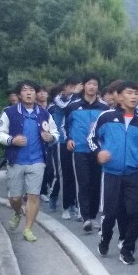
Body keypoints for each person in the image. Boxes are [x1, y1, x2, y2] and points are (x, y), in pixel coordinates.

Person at [88, 80, 138, 264]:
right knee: (110, 214)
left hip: (134, 173)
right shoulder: (106, 117)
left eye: (136, 93)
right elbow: (92, 139)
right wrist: (99, 153)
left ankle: (127, 248)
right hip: (111, 172)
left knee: (136, 212)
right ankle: (105, 239)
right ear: (119, 96)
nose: (134, 97)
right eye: (129, 93)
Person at [0, 80, 59, 242]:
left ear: (36, 94)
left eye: (32, 90)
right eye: (25, 90)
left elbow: (56, 133)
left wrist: (50, 137)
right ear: (19, 94)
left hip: (38, 160)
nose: (29, 93)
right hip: (16, 160)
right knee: (15, 198)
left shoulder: (44, 114)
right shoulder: (9, 112)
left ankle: (28, 228)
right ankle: (17, 212)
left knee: (33, 196)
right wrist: (11, 140)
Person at [65, 75, 109, 233]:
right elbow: (65, 126)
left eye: (95, 84)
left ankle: (93, 215)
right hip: (80, 149)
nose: (92, 87)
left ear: (98, 87)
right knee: (83, 183)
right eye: (89, 84)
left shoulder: (104, 108)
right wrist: (69, 139)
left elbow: (108, 128)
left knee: (96, 184)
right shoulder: (73, 106)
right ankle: (85, 217)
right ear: (83, 86)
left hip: (98, 151)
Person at [49, 78, 80, 213]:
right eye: (72, 86)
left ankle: (72, 203)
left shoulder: (78, 100)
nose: (74, 89)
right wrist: (76, 94)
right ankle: (54, 196)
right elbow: (66, 108)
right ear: (65, 87)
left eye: (76, 86)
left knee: (73, 174)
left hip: (74, 141)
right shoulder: (58, 99)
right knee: (61, 174)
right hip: (60, 141)